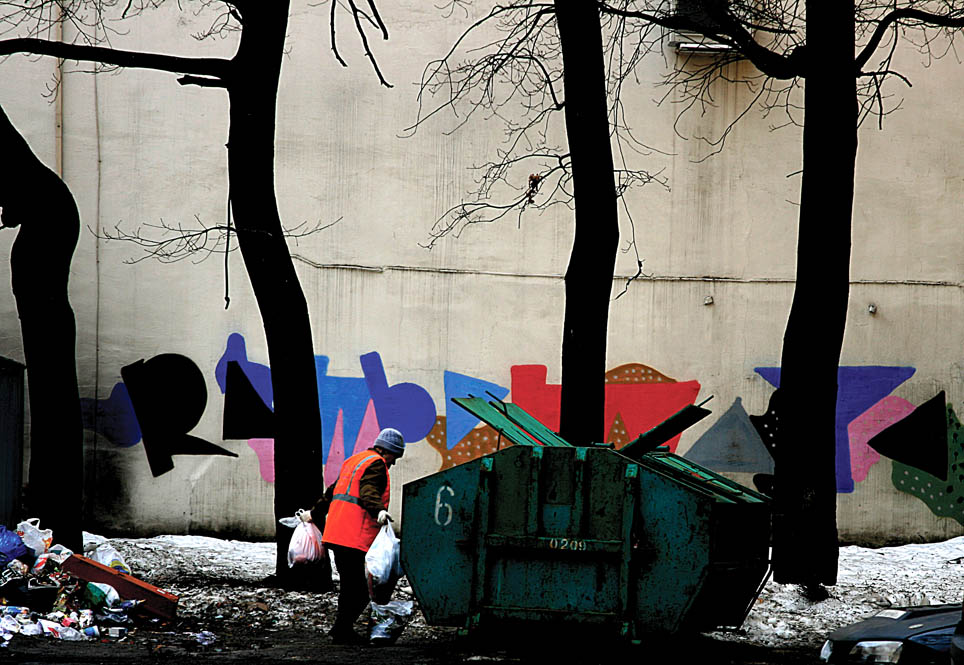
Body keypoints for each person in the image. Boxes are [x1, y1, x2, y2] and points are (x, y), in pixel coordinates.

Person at [304, 427, 404, 645]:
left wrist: (314, 512)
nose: (393, 463)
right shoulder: (376, 464)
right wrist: (378, 510)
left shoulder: (354, 461)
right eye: (394, 456)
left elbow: (332, 491)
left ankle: (341, 629)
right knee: (360, 590)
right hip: (353, 536)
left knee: (350, 586)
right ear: (387, 450)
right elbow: (369, 491)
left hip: (337, 534)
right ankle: (342, 630)